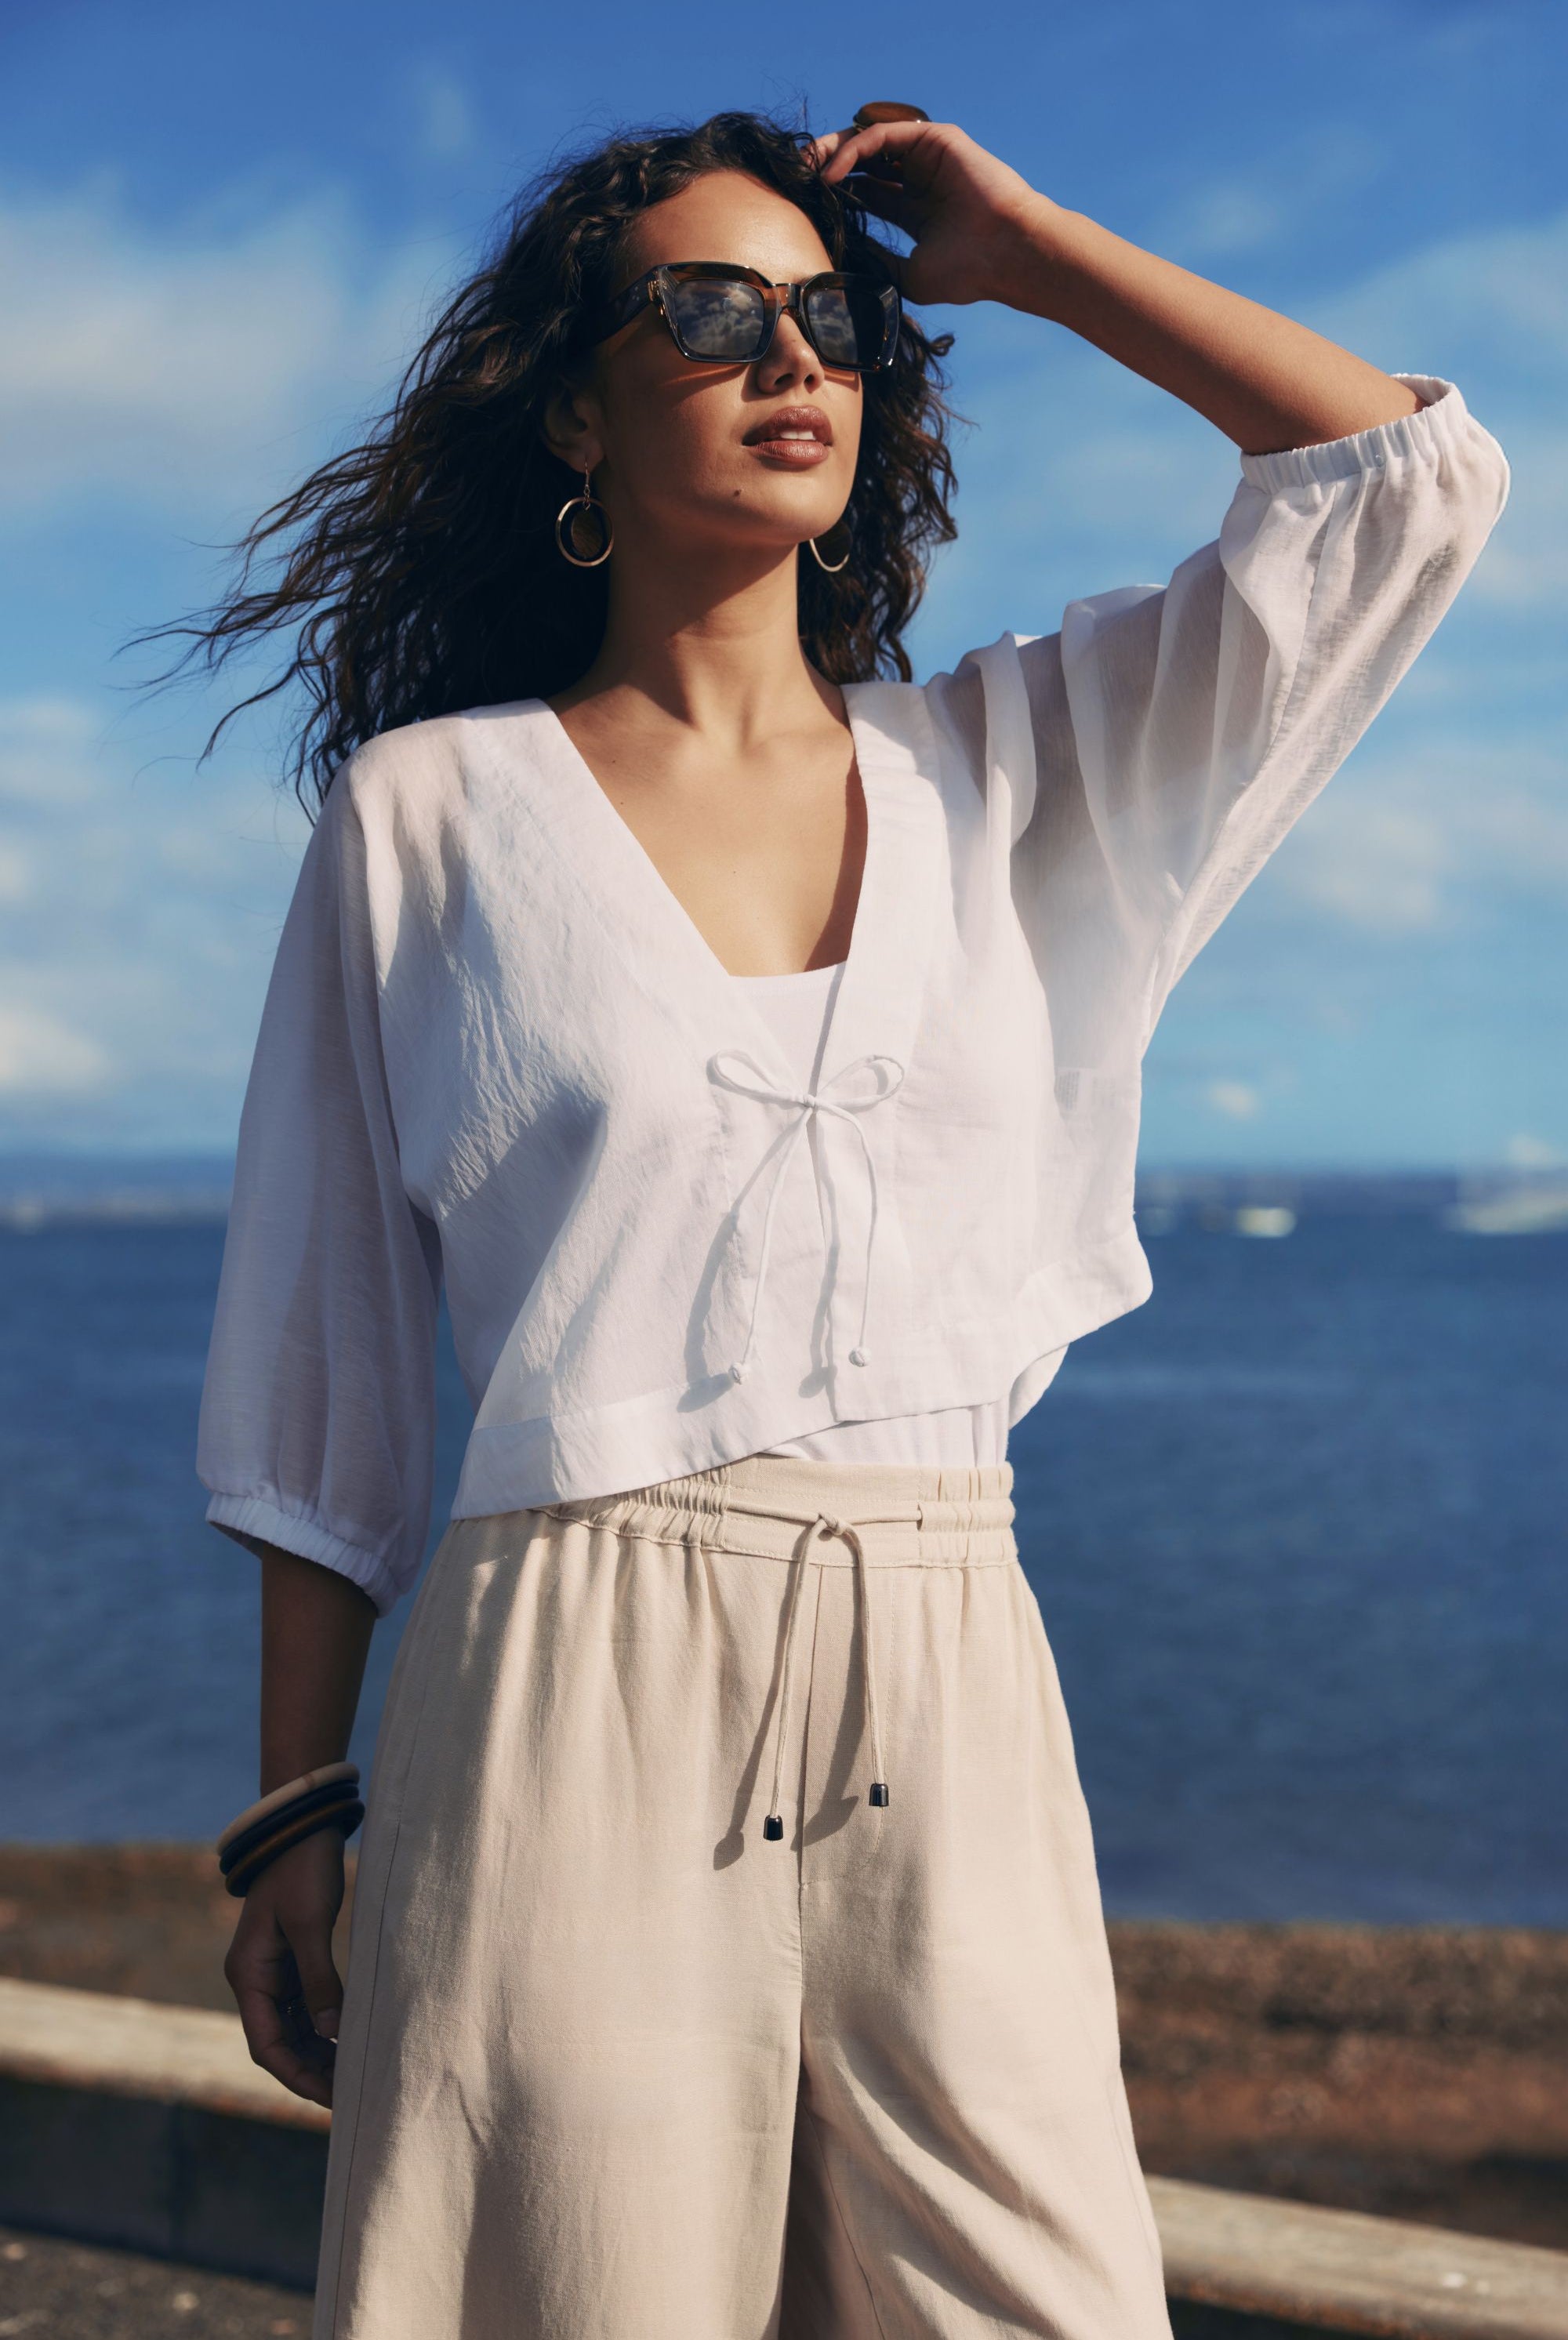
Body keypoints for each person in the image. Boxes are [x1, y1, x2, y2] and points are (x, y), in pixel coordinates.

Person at [185, 106, 1508, 2340]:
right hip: (563, 1671)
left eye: (831, 316)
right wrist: (289, 1812)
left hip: (949, 1655)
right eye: (707, 313)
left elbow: (1405, 487)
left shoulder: (1008, 770)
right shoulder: (430, 821)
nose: (787, 353)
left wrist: (1038, 255)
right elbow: (316, 1355)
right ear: (579, 406)